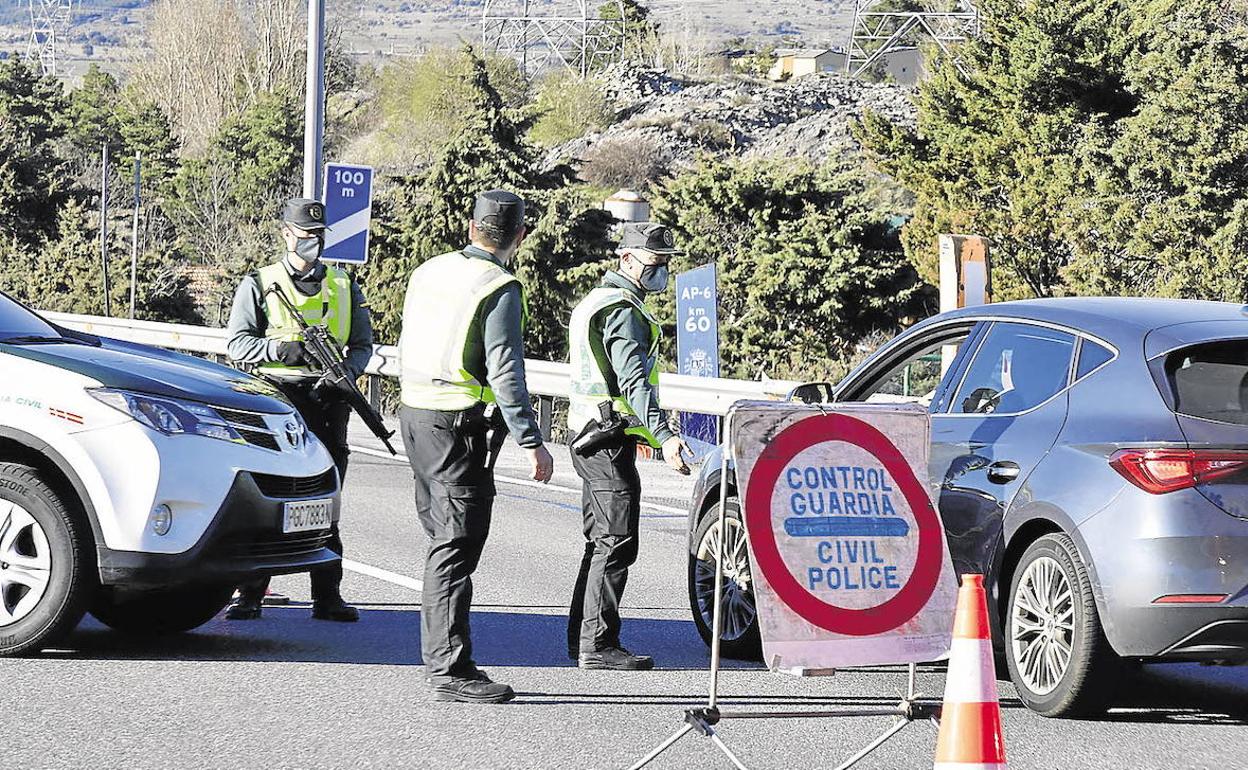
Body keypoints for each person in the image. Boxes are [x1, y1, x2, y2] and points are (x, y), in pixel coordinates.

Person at [398, 189, 555, 704]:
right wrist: (532, 440)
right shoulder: (499, 286)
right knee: (456, 544)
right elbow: (506, 370)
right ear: (520, 236)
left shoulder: (429, 270)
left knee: (442, 539)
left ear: (471, 227)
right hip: (457, 424)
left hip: (414, 413)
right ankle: (449, 668)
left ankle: (445, 659)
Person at [223, 197, 373, 623]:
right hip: (277, 401)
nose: (313, 243)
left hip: (328, 401)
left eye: (319, 236)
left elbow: (362, 345)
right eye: (306, 236)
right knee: (270, 499)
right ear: (286, 234)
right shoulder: (260, 283)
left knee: (326, 498)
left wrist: (345, 373)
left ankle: (328, 596)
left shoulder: (344, 285)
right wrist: (280, 350)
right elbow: (237, 344)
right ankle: (250, 595)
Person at [565, 222, 691, 671]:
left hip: (588, 432)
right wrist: (666, 437)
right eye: (655, 263)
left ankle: (582, 639)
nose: (661, 272)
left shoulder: (597, 300)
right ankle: (598, 645)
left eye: (666, 264)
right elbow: (634, 382)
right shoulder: (621, 309)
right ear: (627, 259)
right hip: (605, 437)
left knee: (600, 540)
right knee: (616, 541)